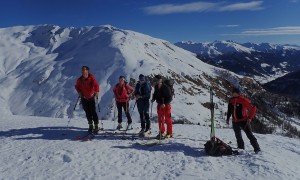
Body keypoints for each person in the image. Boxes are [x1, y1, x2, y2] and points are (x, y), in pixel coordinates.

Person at [226, 87, 261, 153]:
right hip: (235, 121)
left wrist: (250, 118)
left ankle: (257, 148)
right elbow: (229, 111)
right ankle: (241, 148)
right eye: (233, 92)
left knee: (249, 135)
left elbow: (253, 108)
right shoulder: (231, 100)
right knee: (238, 136)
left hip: (244, 121)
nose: (232, 94)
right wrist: (227, 119)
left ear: (237, 93)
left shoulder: (243, 100)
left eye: (234, 92)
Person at [75, 66, 100, 133]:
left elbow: (96, 85)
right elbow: (76, 86)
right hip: (84, 97)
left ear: (88, 71)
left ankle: (96, 126)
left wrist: (97, 91)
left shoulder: (92, 78)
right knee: (87, 112)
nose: (83, 72)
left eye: (84, 71)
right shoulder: (79, 80)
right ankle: (91, 125)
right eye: (82, 71)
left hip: (91, 97)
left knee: (93, 112)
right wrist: (79, 92)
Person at [151, 75, 173, 139]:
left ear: (159, 80)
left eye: (156, 80)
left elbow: (170, 98)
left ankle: (169, 133)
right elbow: (155, 94)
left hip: (166, 105)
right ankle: (162, 132)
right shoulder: (156, 87)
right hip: (159, 105)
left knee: (167, 119)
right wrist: (153, 99)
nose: (155, 81)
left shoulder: (165, 87)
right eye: (155, 80)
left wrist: (165, 104)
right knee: (160, 119)